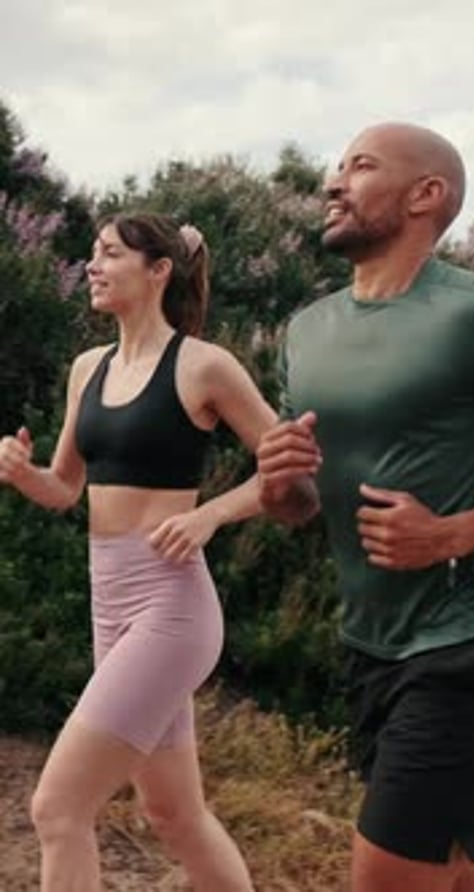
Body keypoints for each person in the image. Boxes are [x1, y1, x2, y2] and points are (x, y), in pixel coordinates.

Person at [0, 212, 277, 892]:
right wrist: (20, 471)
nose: (92, 266)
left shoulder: (204, 366)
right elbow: (65, 489)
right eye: (91, 254)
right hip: (110, 603)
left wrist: (212, 514)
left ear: (158, 271)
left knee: (57, 808)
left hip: (172, 609)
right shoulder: (86, 369)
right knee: (173, 813)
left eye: (109, 253)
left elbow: (292, 466)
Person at [257, 122, 474, 892]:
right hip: (371, 641)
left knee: (387, 874)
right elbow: (300, 507)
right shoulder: (307, 330)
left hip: (473, 638)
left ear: (427, 196)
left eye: (361, 167)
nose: (334, 182)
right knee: (460, 869)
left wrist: (452, 533)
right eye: (335, 165)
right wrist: (279, 486)